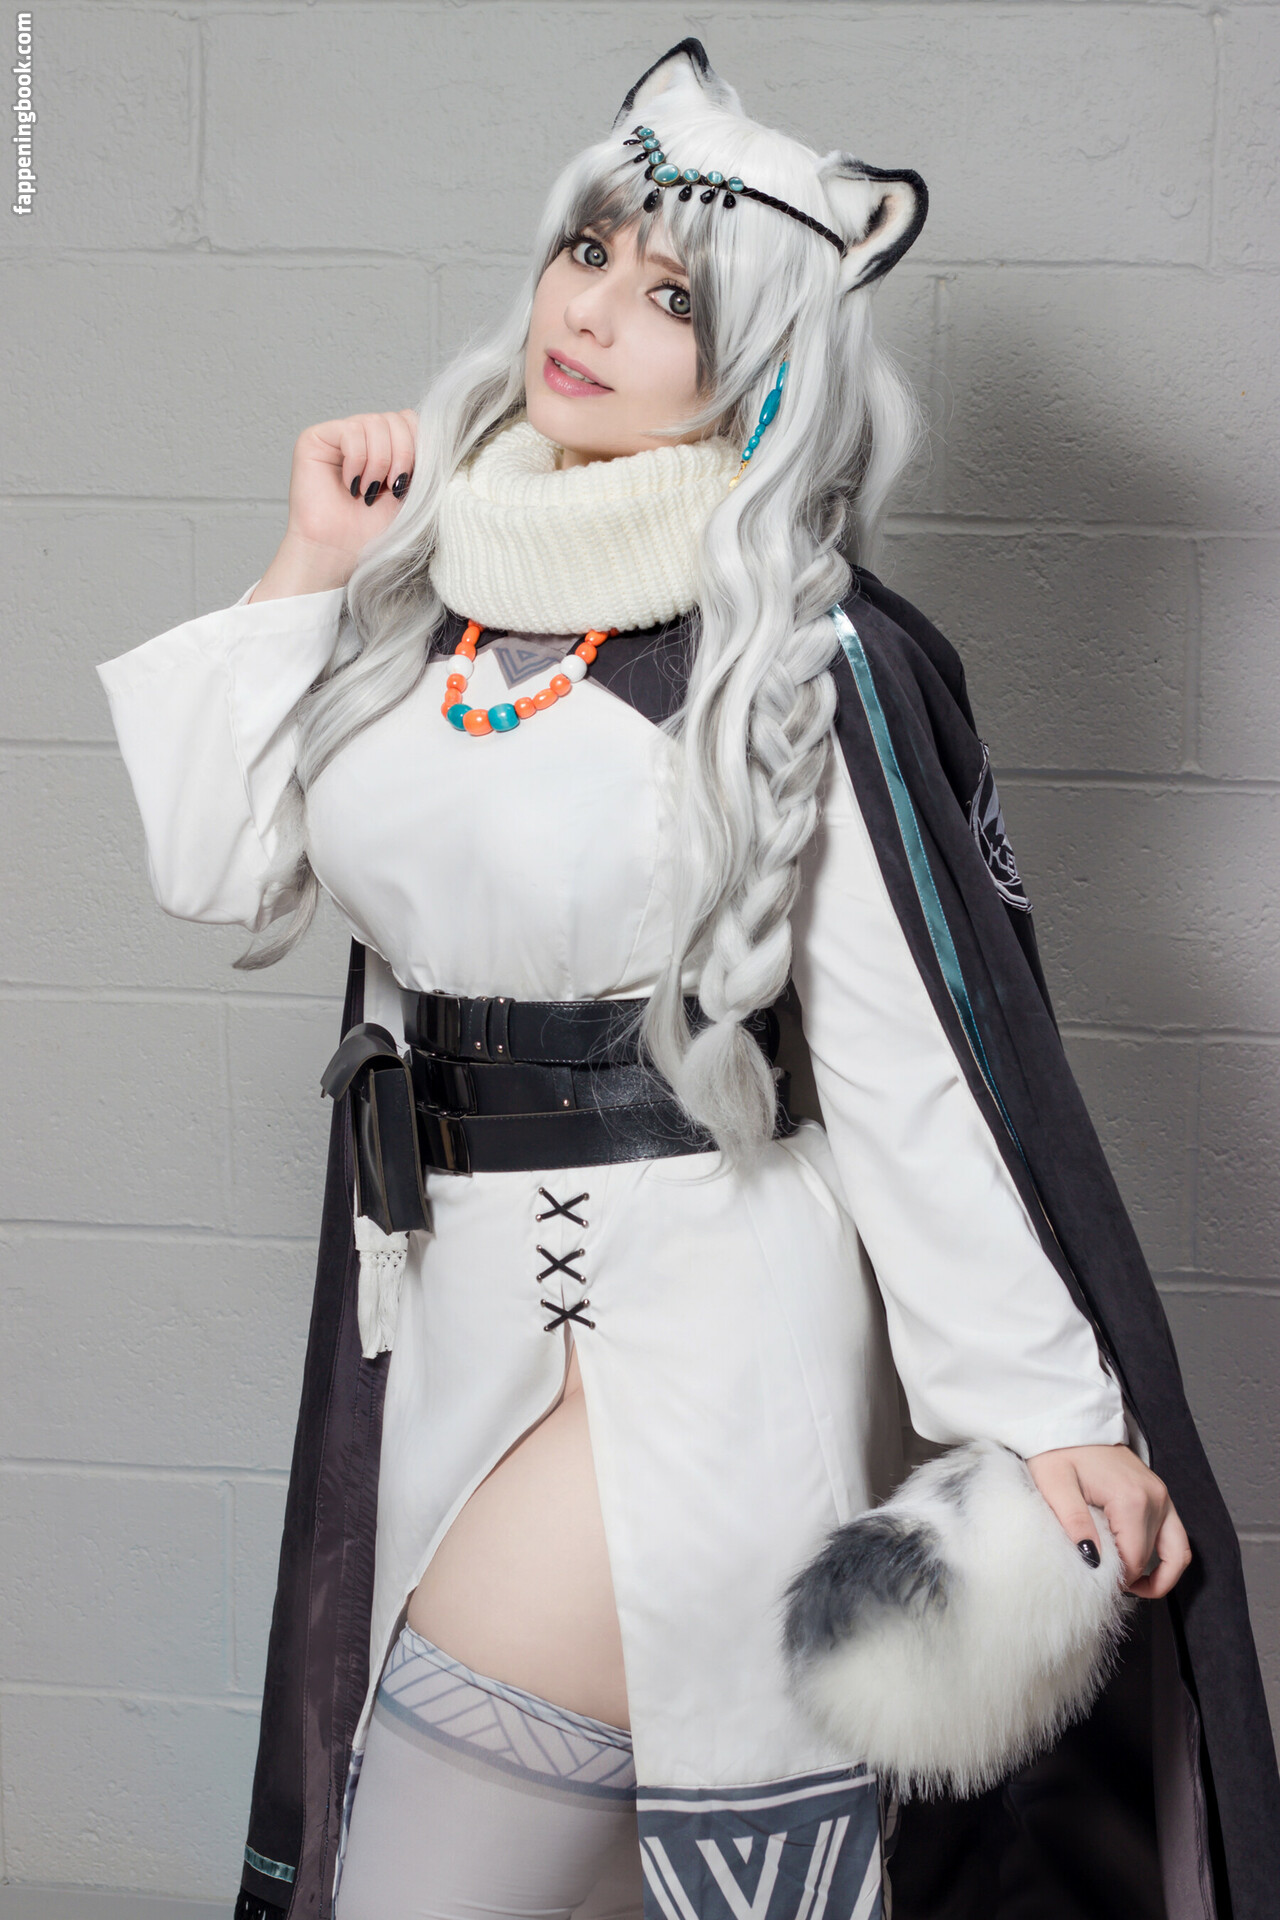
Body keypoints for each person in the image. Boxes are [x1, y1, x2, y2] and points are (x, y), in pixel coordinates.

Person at [97, 38, 1277, 1920]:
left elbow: (908, 1066)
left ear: (768, 370)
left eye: (676, 302)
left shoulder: (799, 662)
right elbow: (215, 866)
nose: (593, 314)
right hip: (451, 1326)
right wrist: (312, 557)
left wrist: (1048, 1411)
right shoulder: (423, 599)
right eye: (589, 254)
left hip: (685, 1345)